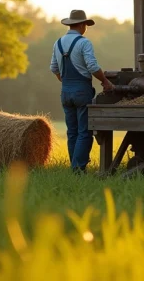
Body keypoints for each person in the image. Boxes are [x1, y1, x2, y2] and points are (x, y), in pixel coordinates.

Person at [50, 10, 114, 173]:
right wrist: (105, 81)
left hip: (65, 92)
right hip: (82, 91)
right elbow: (92, 66)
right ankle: (78, 169)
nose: (86, 28)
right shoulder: (84, 43)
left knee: (72, 131)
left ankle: (75, 167)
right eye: (85, 24)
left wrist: (65, 81)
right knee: (84, 131)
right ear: (80, 25)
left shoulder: (57, 43)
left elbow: (54, 68)